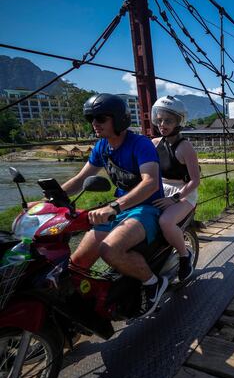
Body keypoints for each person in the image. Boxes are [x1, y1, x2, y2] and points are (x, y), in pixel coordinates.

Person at [61, 93, 167, 317]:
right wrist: (49, 199)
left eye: (100, 118)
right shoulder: (101, 147)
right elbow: (80, 180)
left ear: (118, 119)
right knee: (76, 263)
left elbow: (150, 183)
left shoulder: (141, 144)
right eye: (91, 118)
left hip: (145, 208)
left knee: (109, 250)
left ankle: (152, 282)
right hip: (119, 208)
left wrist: (114, 207)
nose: (94, 124)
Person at [151, 96, 200, 282]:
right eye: (160, 119)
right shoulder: (155, 143)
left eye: (168, 120)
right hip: (161, 188)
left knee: (165, 222)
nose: (162, 124)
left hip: (184, 192)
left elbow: (195, 180)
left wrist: (175, 198)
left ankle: (184, 256)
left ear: (179, 122)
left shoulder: (185, 147)